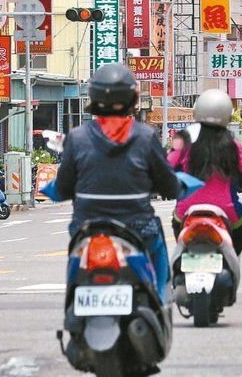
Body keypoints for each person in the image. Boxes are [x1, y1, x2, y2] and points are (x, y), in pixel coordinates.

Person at [55, 64, 180, 295]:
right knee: (159, 253)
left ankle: (73, 301)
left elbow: (62, 187)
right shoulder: (145, 135)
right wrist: (172, 188)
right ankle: (161, 301)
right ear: (132, 97)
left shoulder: (77, 137)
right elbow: (167, 182)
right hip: (138, 226)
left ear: (93, 96)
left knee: (76, 260)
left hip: (87, 226)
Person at [172, 90, 242, 254]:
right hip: (227, 209)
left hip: (185, 210)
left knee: (176, 223)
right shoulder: (232, 144)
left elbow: (168, 167)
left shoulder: (183, 139)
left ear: (197, 112)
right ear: (228, 115)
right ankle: (230, 255)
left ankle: (185, 253)